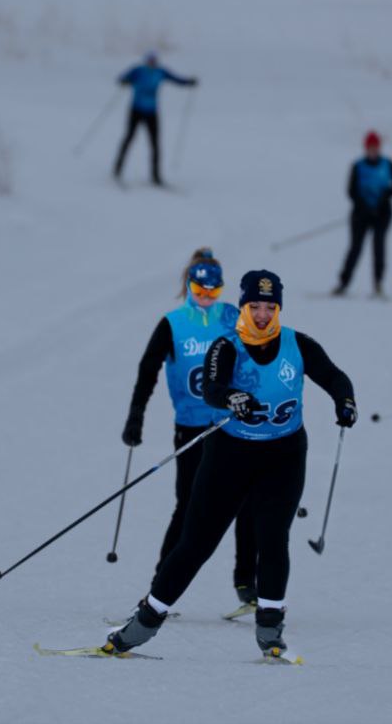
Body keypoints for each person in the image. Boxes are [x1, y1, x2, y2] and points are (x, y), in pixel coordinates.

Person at [106, 270, 357, 659]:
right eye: (254, 306)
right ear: (242, 306)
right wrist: (231, 396)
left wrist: (345, 401)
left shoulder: (297, 344)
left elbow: (335, 376)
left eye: (269, 307)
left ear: (279, 308)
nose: (261, 314)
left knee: (273, 537)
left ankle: (271, 628)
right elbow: (212, 387)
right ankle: (144, 622)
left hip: (284, 456)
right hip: (230, 456)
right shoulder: (226, 346)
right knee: (197, 543)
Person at [121, 248, 258, 608]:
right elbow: (147, 370)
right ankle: (158, 587)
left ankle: (247, 584)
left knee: (247, 503)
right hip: (192, 428)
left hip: (231, 426)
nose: (207, 297)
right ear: (188, 286)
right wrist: (136, 414)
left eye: (214, 291)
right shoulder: (172, 323)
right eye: (200, 291)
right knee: (189, 507)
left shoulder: (232, 316)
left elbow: (257, 358)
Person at [333, 130, 392, 298]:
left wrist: (388, 194)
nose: (373, 151)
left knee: (379, 246)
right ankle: (343, 283)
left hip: (383, 213)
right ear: (365, 148)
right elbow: (351, 191)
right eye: (370, 148)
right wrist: (363, 205)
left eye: (375, 147)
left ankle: (378, 284)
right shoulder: (358, 166)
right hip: (361, 214)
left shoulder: (388, 164)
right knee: (355, 248)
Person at [112, 52, 197, 186]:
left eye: (154, 60)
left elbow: (177, 79)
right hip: (136, 111)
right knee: (129, 138)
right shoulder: (138, 70)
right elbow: (121, 79)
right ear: (145, 61)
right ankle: (117, 170)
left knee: (155, 144)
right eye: (150, 60)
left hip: (152, 112)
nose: (152, 62)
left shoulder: (161, 72)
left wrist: (189, 82)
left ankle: (156, 176)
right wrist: (125, 81)